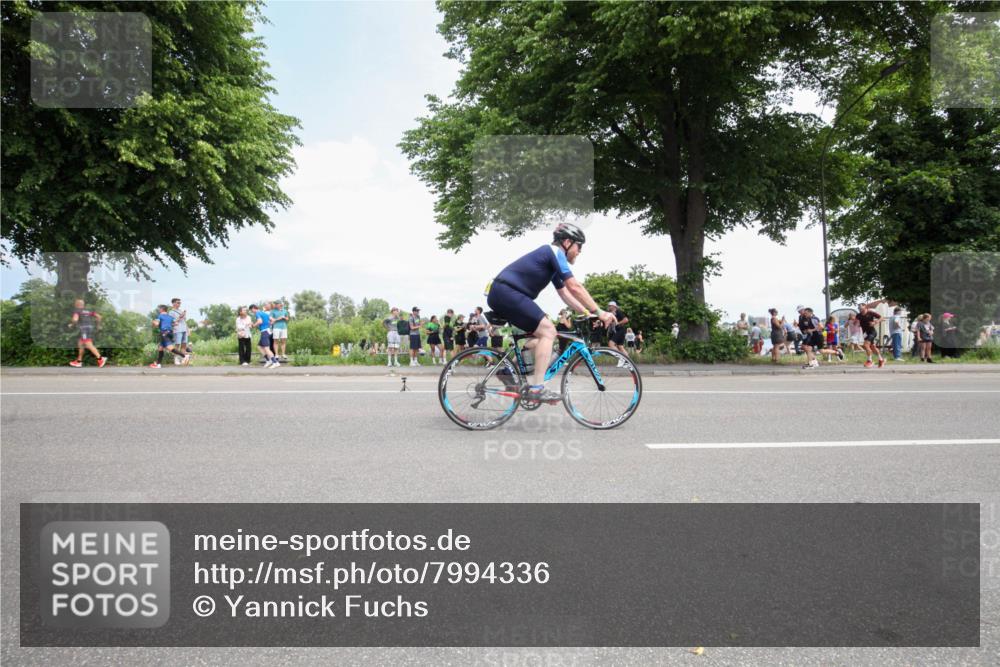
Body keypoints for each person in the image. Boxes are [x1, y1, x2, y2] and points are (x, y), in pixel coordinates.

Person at [485, 223, 615, 402]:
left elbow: (565, 294)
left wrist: (586, 312)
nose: (580, 251)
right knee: (549, 331)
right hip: (507, 292)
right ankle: (537, 388)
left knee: (541, 338)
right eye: (579, 246)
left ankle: (509, 371)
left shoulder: (552, 262)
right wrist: (600, 312)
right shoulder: (554, 252)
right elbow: (574, 287)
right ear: (568, 242)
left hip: (504, 293)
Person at [68, 299, 107, 367]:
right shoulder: (88, 311)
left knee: (88, 344)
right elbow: (99, 316)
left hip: (84, 329)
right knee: (80, 343)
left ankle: (100, 358)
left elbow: (75, 319)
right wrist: (98, 325)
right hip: (90, 328)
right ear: (83, 305)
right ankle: (79, 361)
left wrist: (71, 324)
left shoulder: (77, 311)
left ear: (76, 305)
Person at [250, 304, 279, 368]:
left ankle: (275, 362)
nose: (252, 312)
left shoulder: (257, 313)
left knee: (266, 348)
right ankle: (268, 360)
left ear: (253, 308)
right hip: (268, 331)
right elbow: (273, 320)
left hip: (264, 332)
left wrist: (253, 326)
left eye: (252, 311)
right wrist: (269, 324)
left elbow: (260, 321)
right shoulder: (264, 313)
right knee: (259, 346)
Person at [857, 302, 885, 368]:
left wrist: (875, 322)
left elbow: (881, 317)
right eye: (858, 308)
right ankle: (881, 360)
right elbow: (857, 321)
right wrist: (856, 323)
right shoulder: (858, 315)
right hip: (865, 333)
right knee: (872, 347)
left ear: (865, 307)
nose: (859, 309)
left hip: (872, 332)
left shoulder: (870, 313)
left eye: (860, 307)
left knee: (866, 345)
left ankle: (870, 361)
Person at [169, 298, 189, 366]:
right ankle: (176, 359)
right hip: (177, 330)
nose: (179, 304)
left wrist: (188, 329)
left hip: (184, 329)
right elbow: (172, 322)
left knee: (184, 345)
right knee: (177, 345)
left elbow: (184, 321)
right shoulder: (171, 312)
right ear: (173, 303)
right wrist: (180, 317)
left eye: (180, 303)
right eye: (178, 302)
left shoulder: (180, 311)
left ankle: (183, 359)